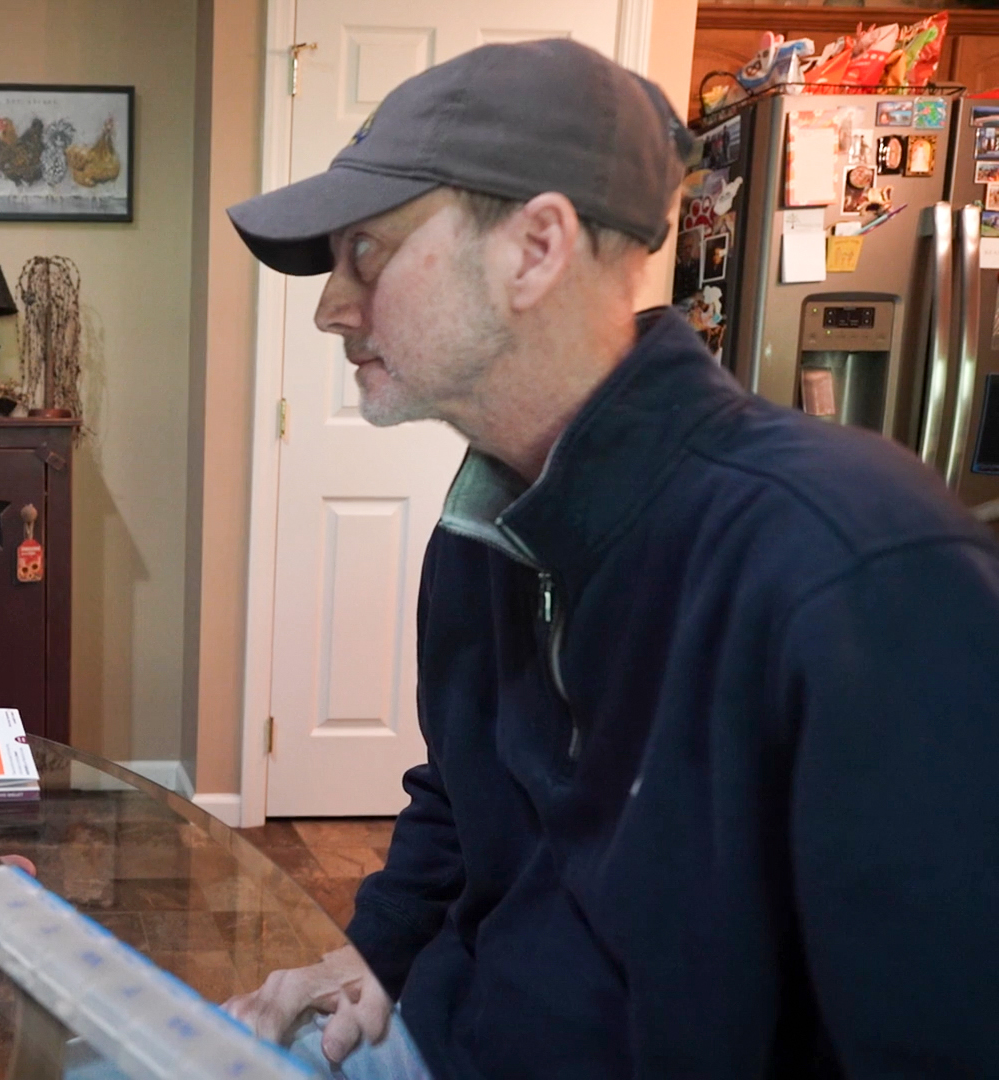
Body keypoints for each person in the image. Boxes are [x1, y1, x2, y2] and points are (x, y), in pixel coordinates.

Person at [222, 39, 999, 1079]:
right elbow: (460, 796)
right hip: (449, 1033)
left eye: (367, 252)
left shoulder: (848, 564)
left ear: (536, 248)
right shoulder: (493, 514)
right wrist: (376, 951)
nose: (330, 306)